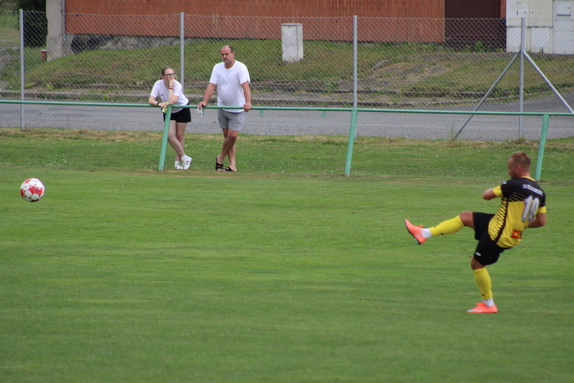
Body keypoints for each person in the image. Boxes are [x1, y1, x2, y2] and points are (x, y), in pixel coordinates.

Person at [405, 152, 547, 314]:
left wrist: (501, 187)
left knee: (477, 265)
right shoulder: (540, 192)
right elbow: (541, 221)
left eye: (509, 168)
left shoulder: (513, 184)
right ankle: (424, 233)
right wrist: (519, 226)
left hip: (498, 234)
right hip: (503, 228)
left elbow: (486, 196)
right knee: (466, 217)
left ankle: (488, 304)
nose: (507, 171)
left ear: (518, 168)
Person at [198, 45, 252, 172]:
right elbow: (211, 85)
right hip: (222, 106)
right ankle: (232, 165)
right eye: (222, 54)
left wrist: (248, 102)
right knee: (227, 136)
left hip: (237, 108)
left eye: (227, 54)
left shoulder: (241, 67)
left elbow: (245, 86)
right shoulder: (217, 67)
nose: (224, 57)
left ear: (233, 54)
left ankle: (220, 157)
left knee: (232, 136)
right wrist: (205, 101)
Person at [148, 66, 193, 170]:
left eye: (172, 74)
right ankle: (184, 157)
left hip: (182, 108)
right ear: (163, 76)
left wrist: (171, 87)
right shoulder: (158, 84)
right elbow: (151, 100)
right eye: (168, 75)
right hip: (169, 110)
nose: (171, 77)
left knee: (180, 136)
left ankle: (178, 162)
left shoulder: (177, 85)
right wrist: (158, 103)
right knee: (169, 135)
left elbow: (172, 100)